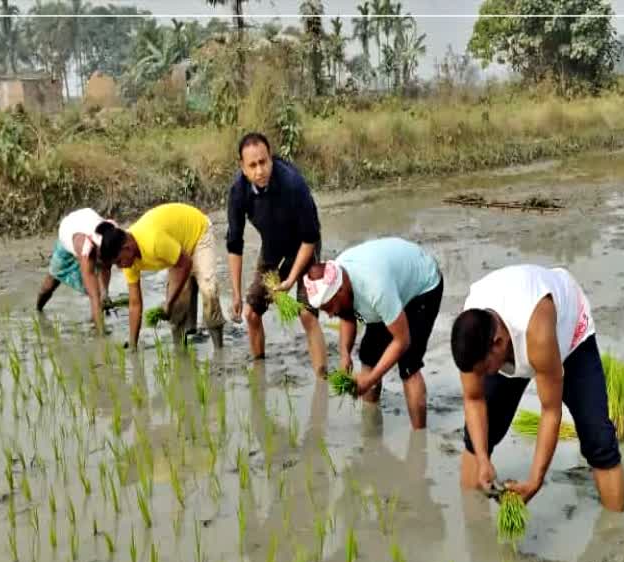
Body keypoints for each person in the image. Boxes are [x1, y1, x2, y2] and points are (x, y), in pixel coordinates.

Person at [450, 264, 624, 512]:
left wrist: (535, 480)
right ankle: (473, 527)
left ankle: (615, 534)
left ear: (498, 343)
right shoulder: (472, 337)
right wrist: (482, 459)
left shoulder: (538, 333)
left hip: (569, 336)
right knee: (478, 436)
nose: (481, 376)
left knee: (598, 439)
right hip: (512, 340)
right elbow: (473, 399)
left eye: (483, 369)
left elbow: (550, 411)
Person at [304, 237, 443, 430]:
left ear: (341, 290)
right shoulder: (340, 276)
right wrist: (345, 354)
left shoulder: (375, 289)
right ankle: (370, 429)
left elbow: (401, 341)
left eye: (329, 307)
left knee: (409, 365)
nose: (329, 314)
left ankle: (419, 440)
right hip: (392, 288)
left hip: (423, 287)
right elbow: (347, 315)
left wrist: (370, 379)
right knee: (369, 356)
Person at [226, 132, 327, 374]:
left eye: (263, 162)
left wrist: (291, 279)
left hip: (304, 246)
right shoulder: (238, 192)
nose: (259, 170)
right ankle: (259, 372)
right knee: (251, 313)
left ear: (270, 158)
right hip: (272, 247)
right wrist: (237, 293)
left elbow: (311, 237)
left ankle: (322, 379)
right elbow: (234, 244)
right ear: (243, 167)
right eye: (252, 165)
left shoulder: (293, 184)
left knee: (306, 314)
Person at [96, 203, 226, 350]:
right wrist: (133, 344)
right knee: (177, 307)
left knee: (209, 290)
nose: (120, 267)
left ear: (127, 247)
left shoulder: (153, 241)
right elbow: (135, 303)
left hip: (199, 232)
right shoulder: (129, 263)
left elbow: (185, 263)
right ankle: (180, 353)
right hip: (176, 248)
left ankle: (219, 352)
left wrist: (168, 302)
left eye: (119, 261)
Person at [35, 207, 118, 333]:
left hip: (86, 224)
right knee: (49, 285)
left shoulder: (110, 240)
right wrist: (102, 337)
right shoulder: (84, 247)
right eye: (100, 260)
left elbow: (106, 269)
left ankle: (94, 321)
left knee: (101, 294)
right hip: (68, 234)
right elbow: (94, 296)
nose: (102, 264)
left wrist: (105, 292)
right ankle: (38, 311)